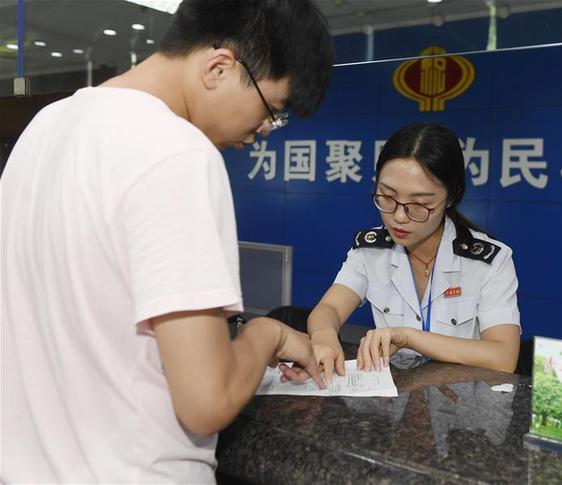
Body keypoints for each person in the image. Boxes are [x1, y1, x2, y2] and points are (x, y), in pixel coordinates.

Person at [0, 1, 332, 483]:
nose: (263, 132)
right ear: (220, 67)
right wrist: (271, 334)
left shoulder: (45, 127)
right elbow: (207, 401)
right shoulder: (178, 153)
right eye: (271, 111)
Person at [303, 122, 521, 384]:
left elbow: (503, 357)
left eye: (419, 204)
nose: (398, 217)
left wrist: (409, 337)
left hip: (462, 402)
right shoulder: (370, 251)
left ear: (452, 197)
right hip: (393, 397)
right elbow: (329, 308)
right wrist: (324, 337)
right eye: (387, 196)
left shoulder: (490, 261)